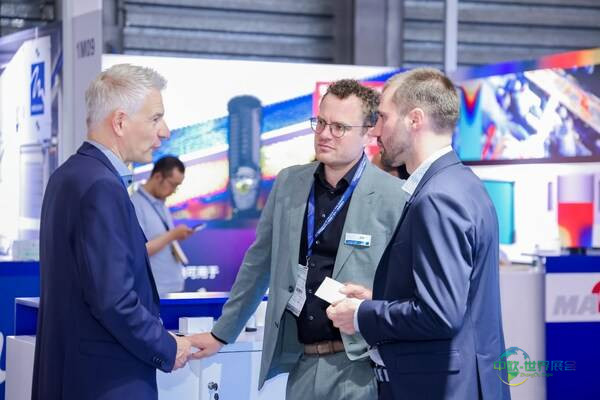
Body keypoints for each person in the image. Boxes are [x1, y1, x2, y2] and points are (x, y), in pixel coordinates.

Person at [188, 79, 406, 400]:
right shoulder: (289, 183)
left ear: (368, 132)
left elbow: (408, 288)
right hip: (302, 361)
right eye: (321, 122)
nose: (325, 134)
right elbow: (258, 264)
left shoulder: (395, 196)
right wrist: (222, 333)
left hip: (362, 366)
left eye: (339, 127)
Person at [326, 68, 511, 400]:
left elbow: (440, 314)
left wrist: (362, 314)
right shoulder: (461, 183)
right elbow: (455, 299)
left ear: (414, 119)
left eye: (383, 117)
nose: (376, 130)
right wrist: (378, 298)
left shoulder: (437, 197)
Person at [32, 64, 193, 400]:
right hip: (107, 382)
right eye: (155, 118)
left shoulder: (68, 176)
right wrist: (167, 346)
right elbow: (114, 300)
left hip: (73, 376)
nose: (164, 132)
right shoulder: (101, 186)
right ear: (120, 122)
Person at [131, 155, 193, 296]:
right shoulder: (135, 204)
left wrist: (175, 235)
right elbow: (139, 250)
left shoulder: (161, 202)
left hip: (171, 286)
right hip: (154, 290)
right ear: (158, 176)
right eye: (172, 184)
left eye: (177, 186)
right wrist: (172, 235)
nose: (173, 191)